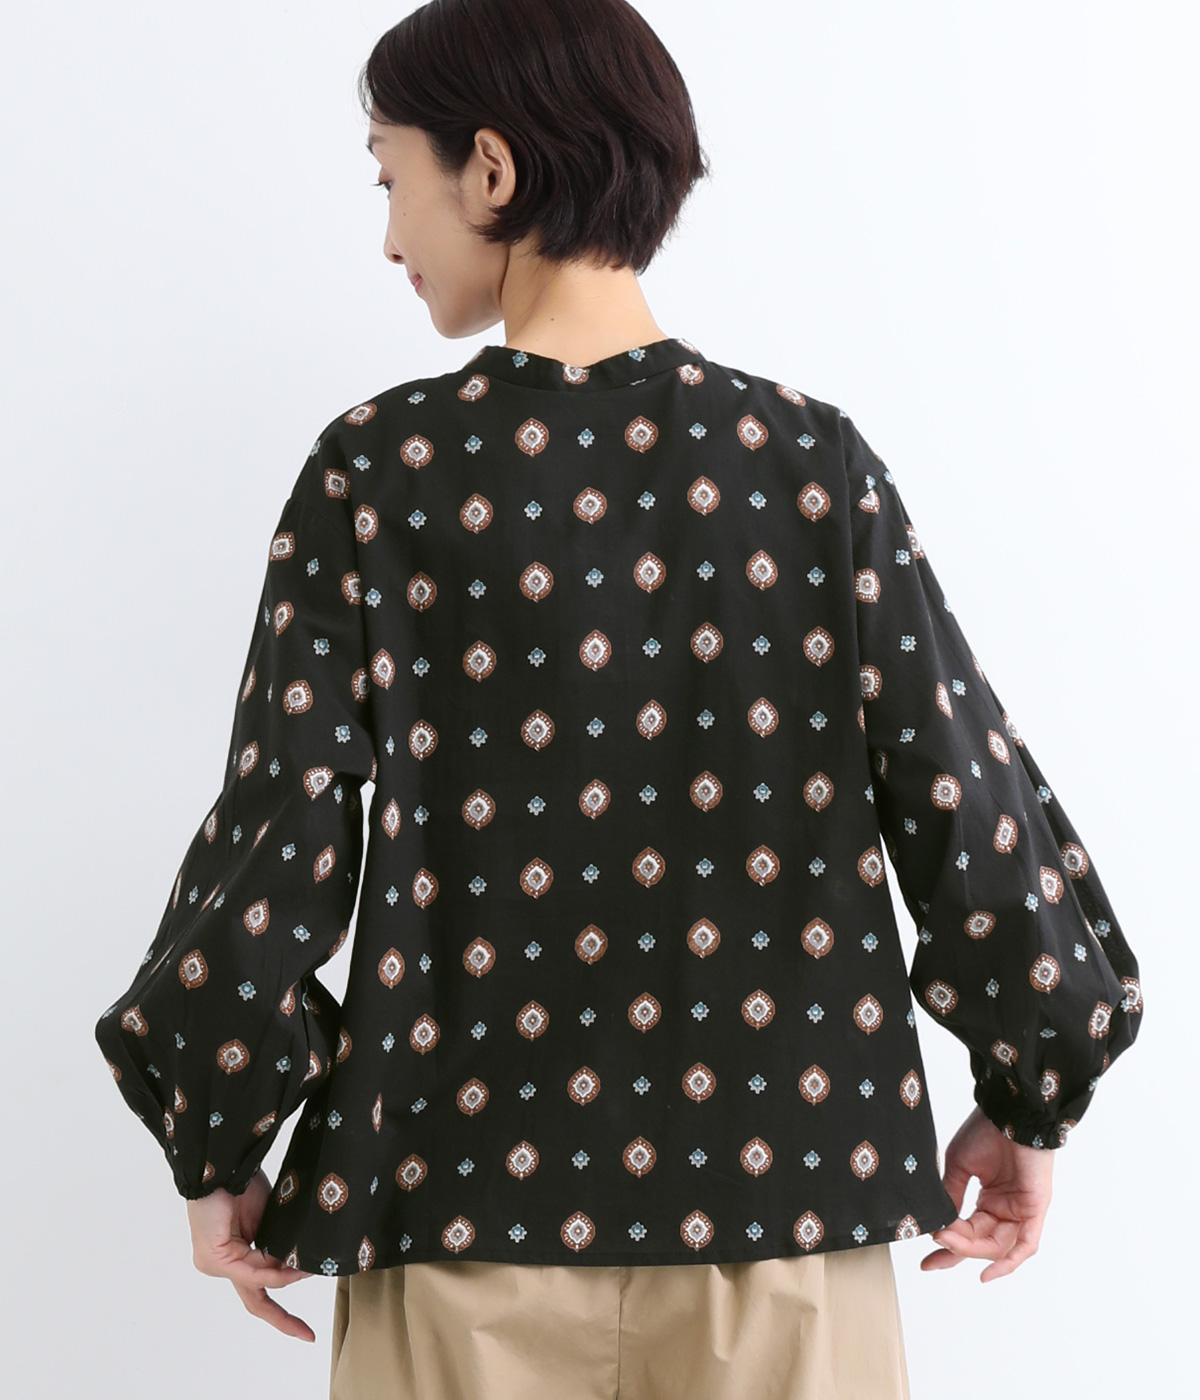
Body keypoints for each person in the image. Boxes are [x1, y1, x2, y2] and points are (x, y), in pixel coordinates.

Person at [92, 2, 1144, 1396]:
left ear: (488, 168)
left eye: (389, 178)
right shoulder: (809, 466)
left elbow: (282, 833)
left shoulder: (378, 471)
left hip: (450, 1215)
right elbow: (963, 794)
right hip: (787, 1218)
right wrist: (1030, 1094)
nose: (390, 237)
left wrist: (216, 1138)